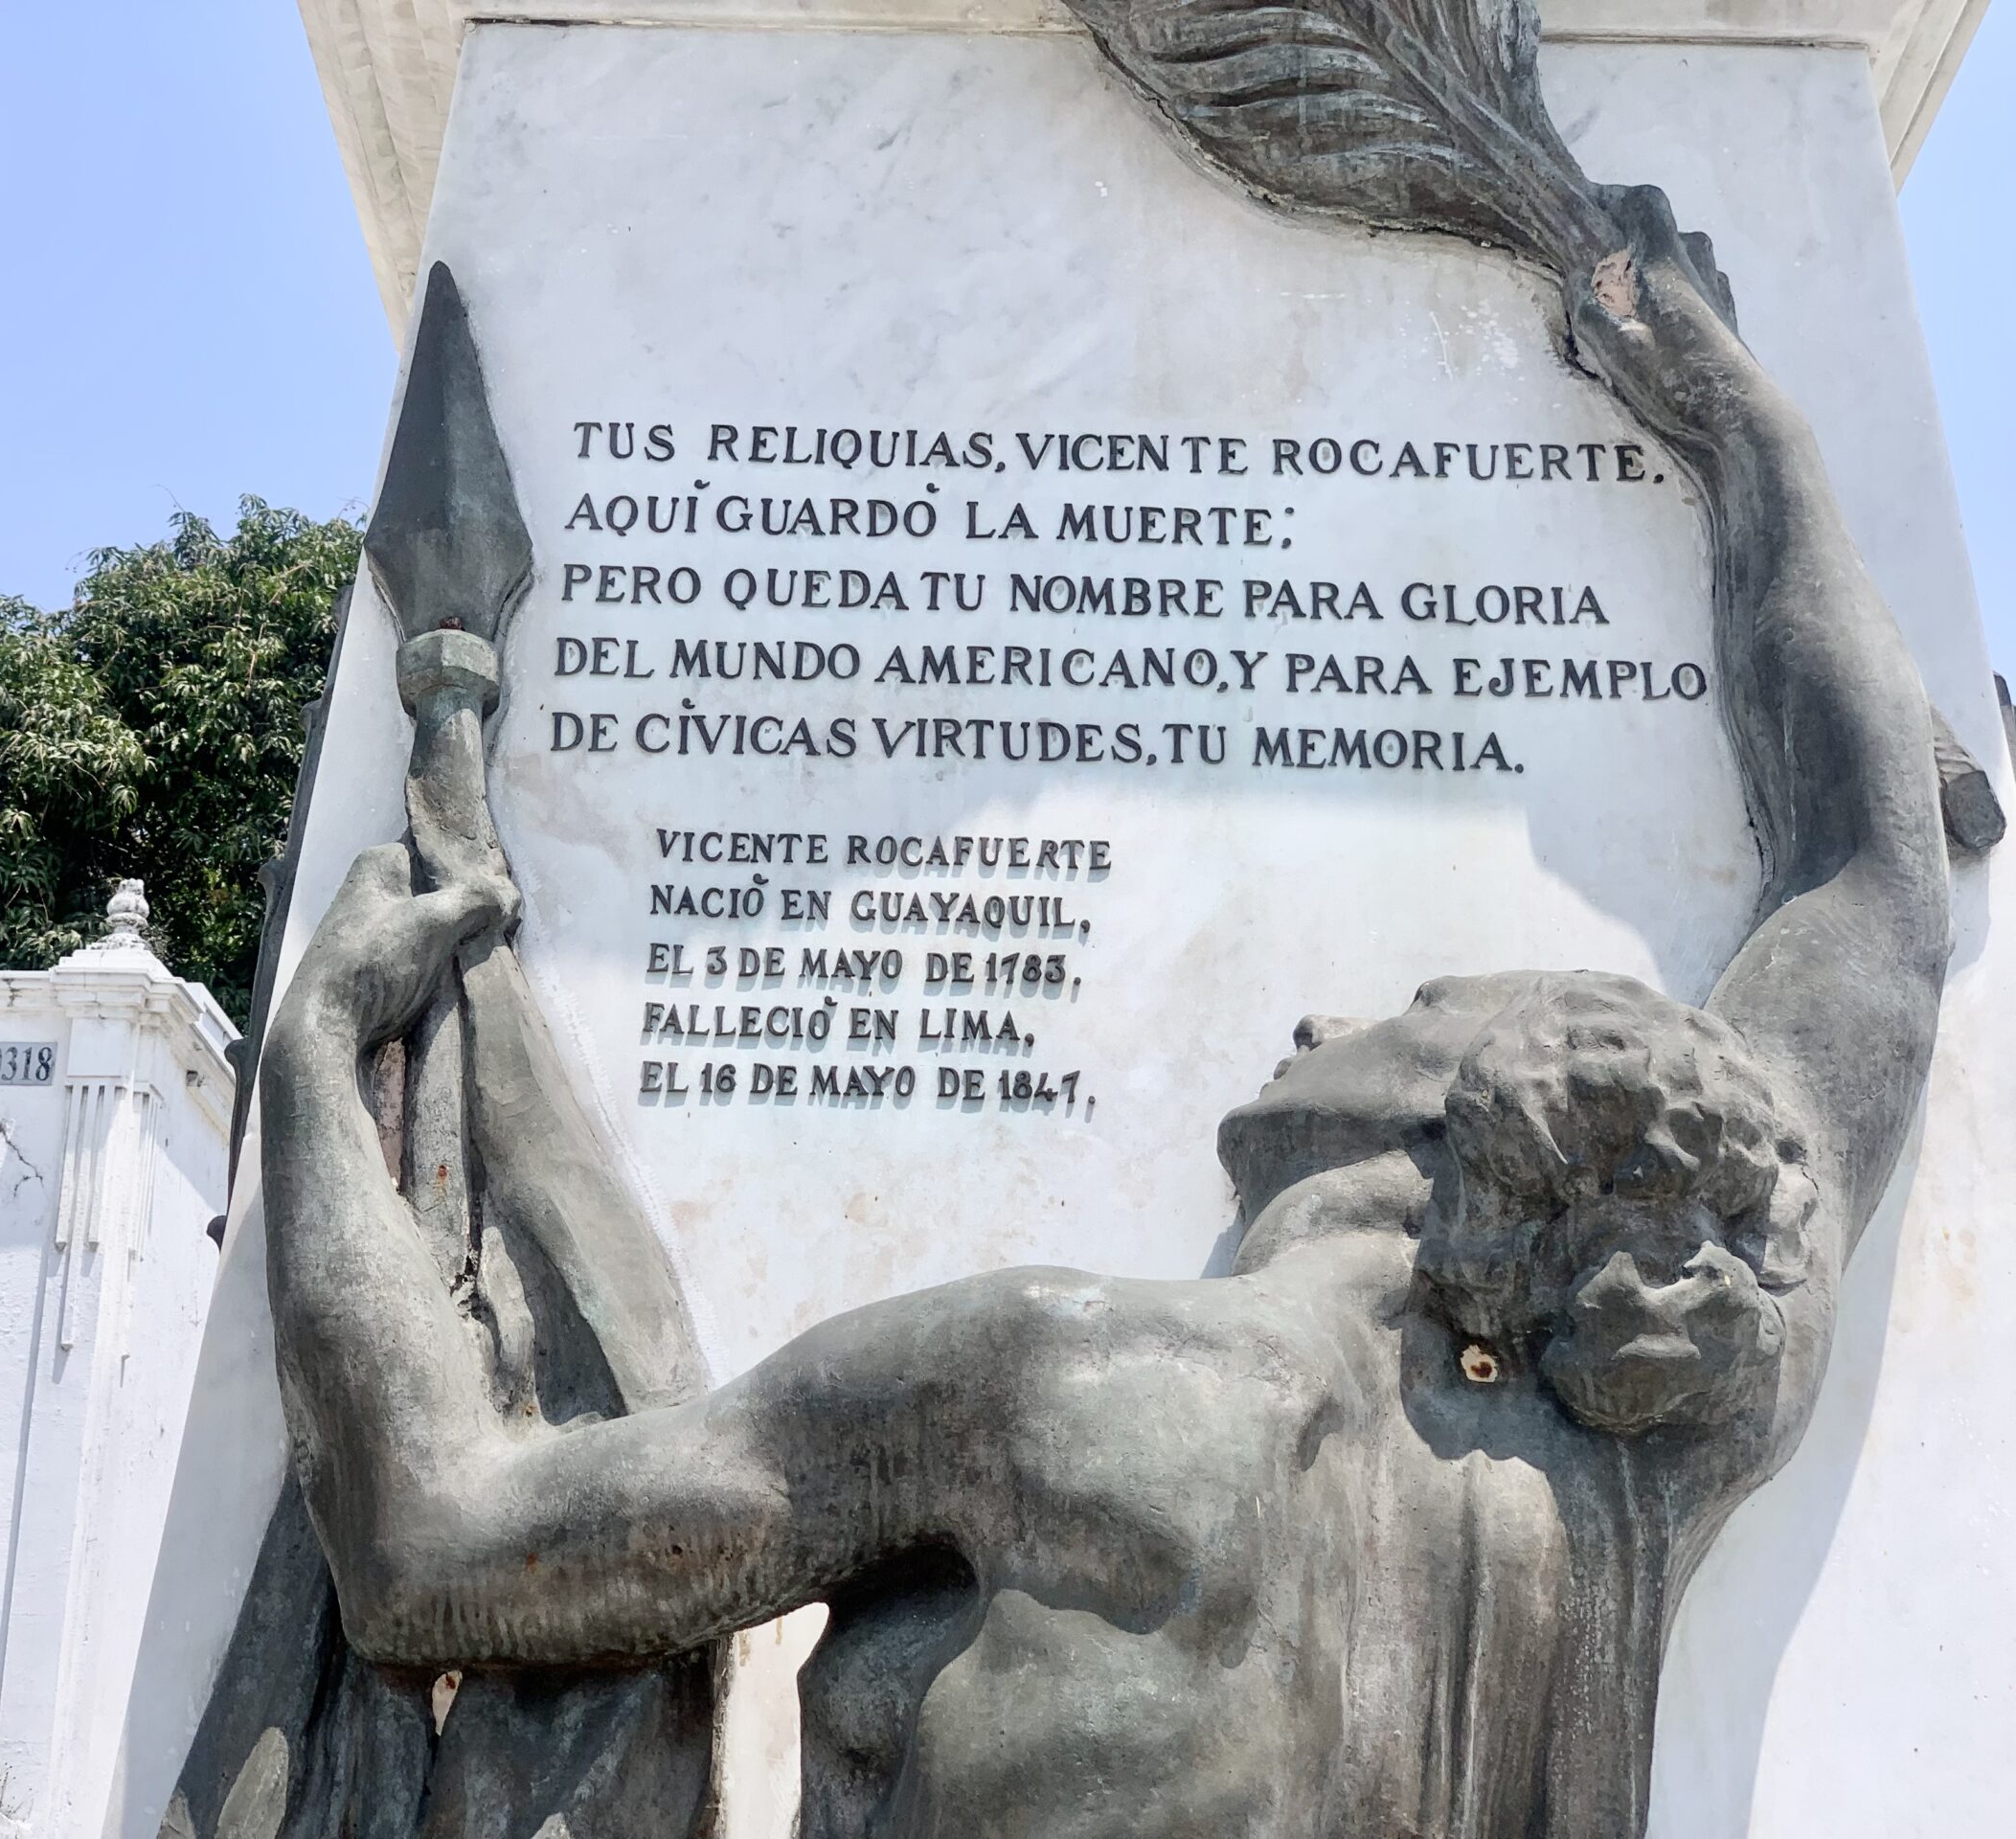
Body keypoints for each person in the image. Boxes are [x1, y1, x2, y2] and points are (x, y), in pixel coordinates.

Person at [258, 190, 1953, 1837]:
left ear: (1456, 1132)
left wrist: (320, 1065)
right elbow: (1873, 883)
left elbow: (430, 1550)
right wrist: (1745, 427)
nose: (1312, 1023)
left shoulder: (1055, 1384)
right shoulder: (1634, 1463)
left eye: (1415, 1001)